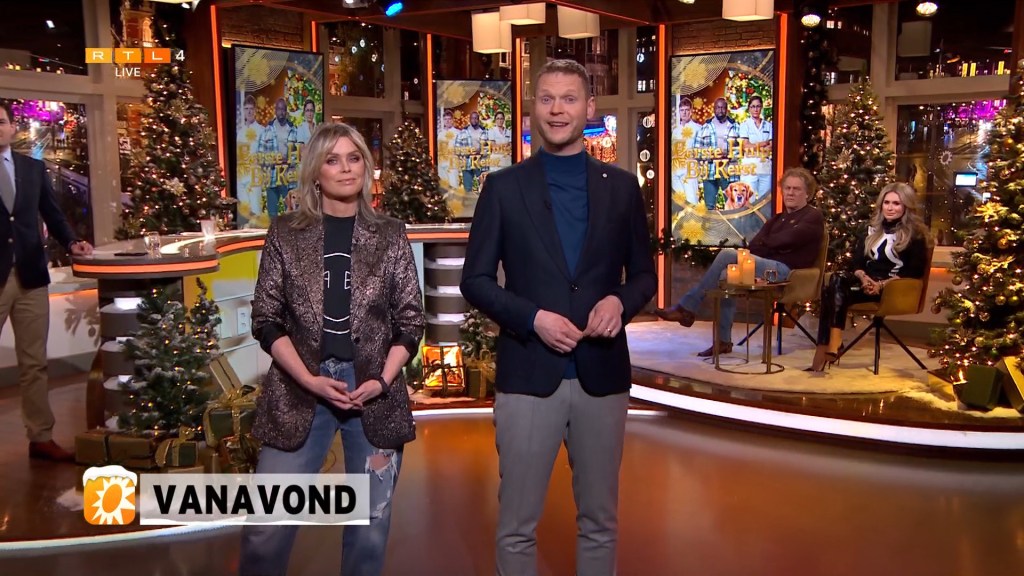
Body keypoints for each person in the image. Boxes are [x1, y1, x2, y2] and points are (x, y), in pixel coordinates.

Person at [460, 59, 656, 576]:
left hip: (602, 375)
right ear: (533, 109)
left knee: (600, 521)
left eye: (569, 99)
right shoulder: (503, 187)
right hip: (529, 374)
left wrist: (619, 302)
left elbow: (644, 275)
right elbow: (475, 280)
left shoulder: (622, 187)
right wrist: (533, 318)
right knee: (516, 525)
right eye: (547, 98)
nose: (557, 109)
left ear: (589, 107)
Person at [240, 122, 425, 576]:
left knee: (370, 528)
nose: (346, 168)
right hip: (300, 388)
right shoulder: (285, 233)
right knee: (266, 525)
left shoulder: (390, 234)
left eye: (354, 158)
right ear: (315, 173)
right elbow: (266, 318)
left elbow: (410, 320)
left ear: (366, 166)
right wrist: (309, 379)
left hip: (374, 395)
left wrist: (382, 379)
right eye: (333, 160)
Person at [0, 100, 93, 462]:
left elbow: (53, 215)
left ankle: (40, 437)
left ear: (13, 128)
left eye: (2, 122)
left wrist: (71, 242)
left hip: (30, 276)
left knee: (34, 362)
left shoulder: (32, 168)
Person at [655, 167, 824, 357]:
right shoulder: (778, 219)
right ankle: (723, 341)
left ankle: (687, 308)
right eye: (787, 188)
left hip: (788, 273)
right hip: (766, 266)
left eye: (796, 189)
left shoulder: (812, 216)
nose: (790, 193)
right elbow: (755, 246)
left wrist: (770, 244)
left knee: (728, 254)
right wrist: (773, 245)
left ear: (807, 193)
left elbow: (789, 239)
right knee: (725, 276)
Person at [808, 182, 930, 372]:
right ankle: (834, 341)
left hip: (892, 288)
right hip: (865, 284)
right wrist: (864, 279)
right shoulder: (870, 230)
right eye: (886, 203)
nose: (890, 208)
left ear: (906, 206)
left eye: (896, 203)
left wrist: (881, 285)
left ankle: (827, 347)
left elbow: (913, 272)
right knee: (836, 279)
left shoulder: (915, 235)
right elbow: (857, 263)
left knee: (830, 291)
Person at [695, 97, 739, 210]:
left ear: (727, 109)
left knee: (733, 206)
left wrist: (729, 154)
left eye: (723, 108)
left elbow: (742, 148)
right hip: (710, 172)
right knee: (709, 207)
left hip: (729, 172)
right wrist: (711, 155)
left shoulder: (736, 126)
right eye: (718, 107)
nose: (720, 110)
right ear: (714, 109)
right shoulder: (705, 127)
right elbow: (696, 151)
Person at [258, 97, 298, 217]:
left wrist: (289, 161)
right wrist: (273, 161)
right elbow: (260, 157)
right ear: (275, 111)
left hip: (288, 179)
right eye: (279, 109)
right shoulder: (267, 131)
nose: (281, 112)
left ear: (286, 111)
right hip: (272, 178)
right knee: (272, 215)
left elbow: (299, 154)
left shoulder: (293, 130)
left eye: (283, 109)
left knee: (291, 214)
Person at [737, 95, 773, 199]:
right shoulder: (744, 125)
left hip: (765, 167)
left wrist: (754, 146)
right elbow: (746, 147)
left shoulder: (768, 125)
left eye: (758, 106)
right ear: (749, 108)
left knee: (765, 200)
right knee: (749, 199)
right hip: (749, 167)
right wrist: (764, 143)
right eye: (753, 106)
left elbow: (771, 147)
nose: (755, 109)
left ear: (761, 107)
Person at [671, 97, 703, 206]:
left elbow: (701, 150)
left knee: (691, 200)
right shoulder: (675, 131)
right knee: (678, 202)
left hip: (690, 169)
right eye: (682, 110)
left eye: (686, 110)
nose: (684, 113)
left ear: (691, 111)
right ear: (679, 112)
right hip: (676, 170)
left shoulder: (698, 128)